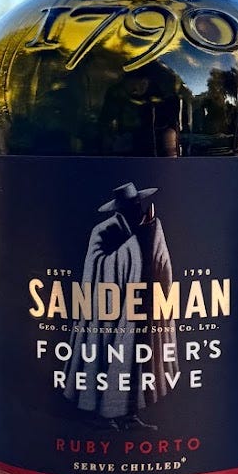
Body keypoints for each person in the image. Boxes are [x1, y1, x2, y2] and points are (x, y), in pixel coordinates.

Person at [63, 181, 176, 426]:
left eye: (137, 204)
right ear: (119, 208)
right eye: (131, 205)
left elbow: (159, 260)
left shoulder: (146, 224)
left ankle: (129, 415)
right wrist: (136, 243)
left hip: (142, 308)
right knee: (106, 359)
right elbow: (97, 265)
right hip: (108, 314)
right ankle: (104, 416)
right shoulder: (104, 231)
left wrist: (150, 233)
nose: (136, 209)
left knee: (137, 362)